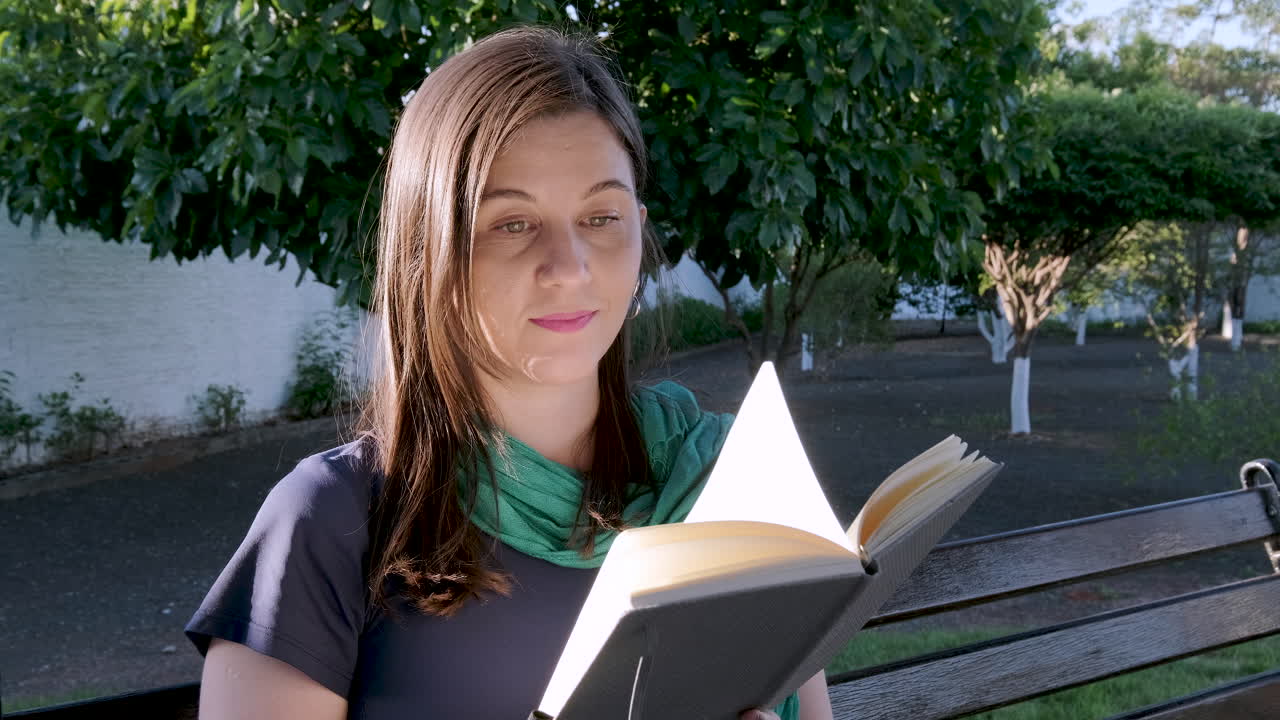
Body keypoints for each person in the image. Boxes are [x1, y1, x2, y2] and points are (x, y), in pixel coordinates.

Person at [184, 26, 834, 720]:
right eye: (512, 224)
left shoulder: (734, 483)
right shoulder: (331, 522)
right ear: (427, 249)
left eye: (602, 216)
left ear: (640, 230)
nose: (570, 267)